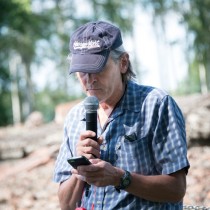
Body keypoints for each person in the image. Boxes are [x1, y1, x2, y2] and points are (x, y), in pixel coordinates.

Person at [53, 20, 190, 210]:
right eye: (82, 71)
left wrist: (120, 178)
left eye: (97, 68)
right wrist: (80, 168)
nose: (89, 80)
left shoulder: (156, 104)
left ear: (123, 63)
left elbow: (176, 189)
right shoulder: (75, 117)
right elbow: (66, 204)